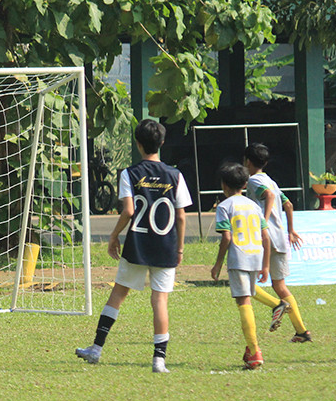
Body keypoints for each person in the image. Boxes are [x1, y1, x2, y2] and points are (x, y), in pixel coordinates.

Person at [75, 119, 192, 373]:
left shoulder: (130, 173)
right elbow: (181, 216)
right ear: (161, 143)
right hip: (165, 246)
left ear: (138, 144)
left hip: (138, 245)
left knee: (119, 293)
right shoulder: (175, 175)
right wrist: (179, 248)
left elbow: (128, 210)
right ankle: (159, 360)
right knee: (159, 300)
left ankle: (96, 348)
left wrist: (114, 235)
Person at [243, 143, 312, 343]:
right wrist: (290, 230)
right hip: (280, 238)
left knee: (246, 283)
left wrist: (263, 221)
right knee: (280, 286)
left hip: (264, 238)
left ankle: (275, 305)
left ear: (247, 161)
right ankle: (302, 332)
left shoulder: (254, 181)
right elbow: (288, 204)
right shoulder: (270, 180)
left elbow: (269, 196)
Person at [211, 163, 271, 370]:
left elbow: (226, 237)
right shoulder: (254, 205)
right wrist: (265, 265)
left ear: (224, 186)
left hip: (239, 257)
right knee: (249, 297)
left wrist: (218, 264)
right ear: (245, 184)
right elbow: (265, 236)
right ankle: (250, 349)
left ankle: (255, 351)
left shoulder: (224, 206)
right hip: (256, 256)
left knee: (244, 302)